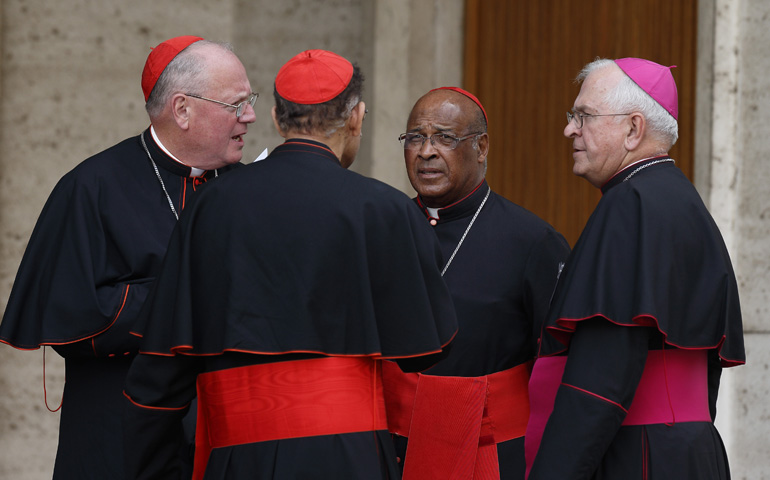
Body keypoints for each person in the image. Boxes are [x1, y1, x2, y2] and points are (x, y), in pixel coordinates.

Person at [122, 49, 458, 480]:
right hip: (350, 460)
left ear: (279, 121)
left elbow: (158, 376)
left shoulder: (211, 207)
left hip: (238, 462)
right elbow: (431, 346)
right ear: (356, 118)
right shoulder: (385, 209)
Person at [0, 35, 256, 479]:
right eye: (236, 104)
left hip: (227, 433)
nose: (250, 116)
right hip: (118, 430)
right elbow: (72, 313)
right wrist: (186, 300)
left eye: (249, 101)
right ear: (183, 110)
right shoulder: (92, 188)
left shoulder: (252, 189)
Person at [525, 58, 745, 479]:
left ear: (633, 129)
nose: (570, 129)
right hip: (687, 451)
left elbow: (601, 379)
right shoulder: (684, 201)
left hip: (636, 456)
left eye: (584, 116)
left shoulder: (630, 205)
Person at [381, 87, 570, 480]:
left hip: (492, 451)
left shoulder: (533, 241)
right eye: (415, 137)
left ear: (481, 147)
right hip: (392, 445)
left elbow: (555, 365)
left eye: (445, 138)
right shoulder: (382, 229)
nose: (426, 151)